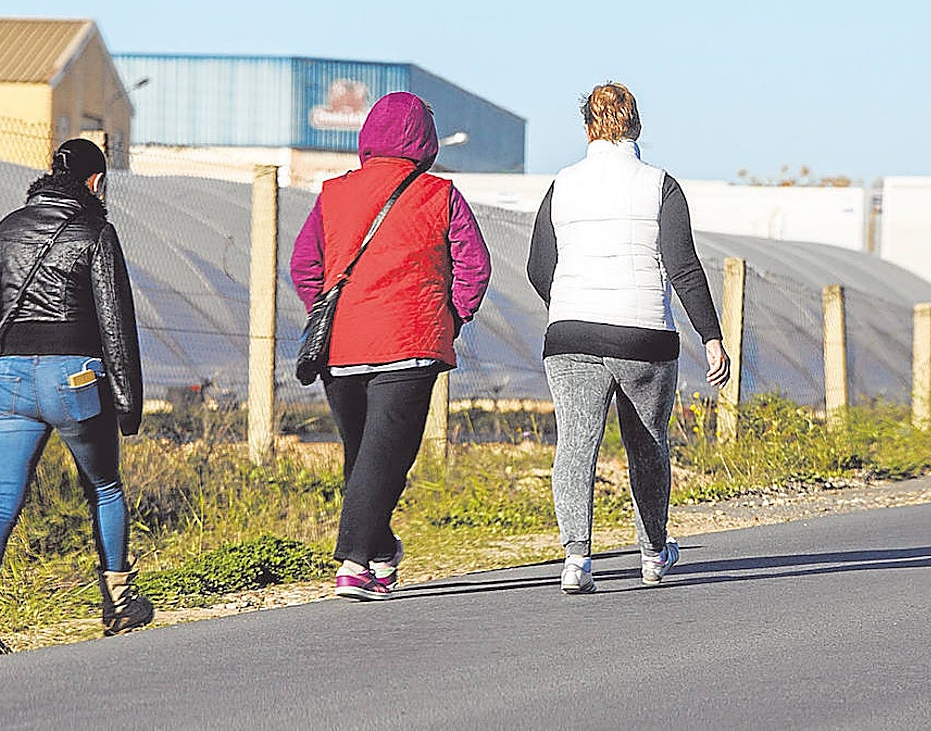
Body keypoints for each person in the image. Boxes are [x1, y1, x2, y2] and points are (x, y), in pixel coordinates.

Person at [526, 82, 731, 594]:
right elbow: (683, 267)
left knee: (575, 444)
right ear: (636, 124)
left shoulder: (561, 185)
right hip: (645, 337)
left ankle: (576, 559)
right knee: (647, 444)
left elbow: (537, 267)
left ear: (587, 127)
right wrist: (711, 336)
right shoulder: (660, 185)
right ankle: (653, 553)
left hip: (571, 333)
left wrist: (571, 306)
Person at [290, 92, 491, 601]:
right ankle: (354, 564)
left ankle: (380, 554)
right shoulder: (440, 194)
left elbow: (304, 266)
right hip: (411, 342)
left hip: (341, 348)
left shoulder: (333, 193)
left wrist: (333, 309)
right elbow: (475, 267)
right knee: (384, 458)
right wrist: (451, 317)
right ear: (426, 139)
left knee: (364, 457)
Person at [0, 138, 152, 659]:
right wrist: (127, 402)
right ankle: (119, 604)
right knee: (105, 488)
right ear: (95, 181)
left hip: (12, 378)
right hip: (75, 380)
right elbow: (116, 326)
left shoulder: (6, 229)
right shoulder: (96, 232)